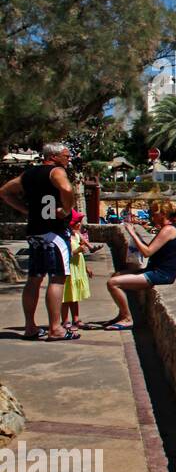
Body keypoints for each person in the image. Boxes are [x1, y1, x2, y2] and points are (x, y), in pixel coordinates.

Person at [0, 142, 77, 340]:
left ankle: (30, 327)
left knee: (34, 279)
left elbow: (5, 192)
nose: (68, 160)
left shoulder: (28, 174)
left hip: (34, 232)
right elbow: (67, 189)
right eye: (66, 156)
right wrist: (66, 210)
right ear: (55, 156)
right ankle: (55, 328)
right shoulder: (56, 172)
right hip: (54, 233)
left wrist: (27, 210)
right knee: (57, 277)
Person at [98, 201, 176, 331]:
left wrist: (132, 233)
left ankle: (127, 318)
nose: (151, 217)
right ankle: (121, 314)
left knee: (112, 283)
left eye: (154, 213)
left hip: (161, 275)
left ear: (162, 214)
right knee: (117, 275)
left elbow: (147, 252)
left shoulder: (168, 230)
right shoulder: (167, 229)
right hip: (155, 270)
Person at [61, 212, 93, 330]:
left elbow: (81, 256)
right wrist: (77, 250)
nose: (79, 224)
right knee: (66, 297)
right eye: (76, 222)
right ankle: (64, 321)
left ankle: (76, 319)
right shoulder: (66, 237)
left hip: (77, 269)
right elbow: (64, 254)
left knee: (75, 297)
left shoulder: (77, 236)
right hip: (69, 270)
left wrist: (86, 268)